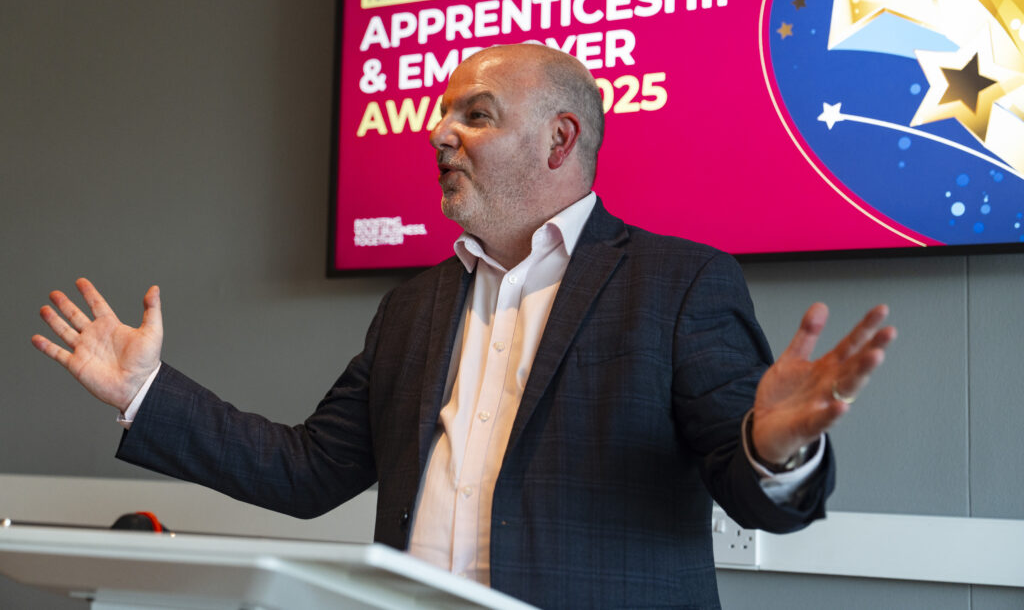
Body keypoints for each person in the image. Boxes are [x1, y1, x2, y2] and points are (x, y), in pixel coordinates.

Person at [32, 43, 896, 609]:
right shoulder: (413, 306)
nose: (438, 133)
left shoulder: (678, 283)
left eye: (475, 115)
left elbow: (756, 494)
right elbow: (304, 471)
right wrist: (143, 391)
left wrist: (774, 447)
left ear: (561, 140)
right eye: (443, 114)